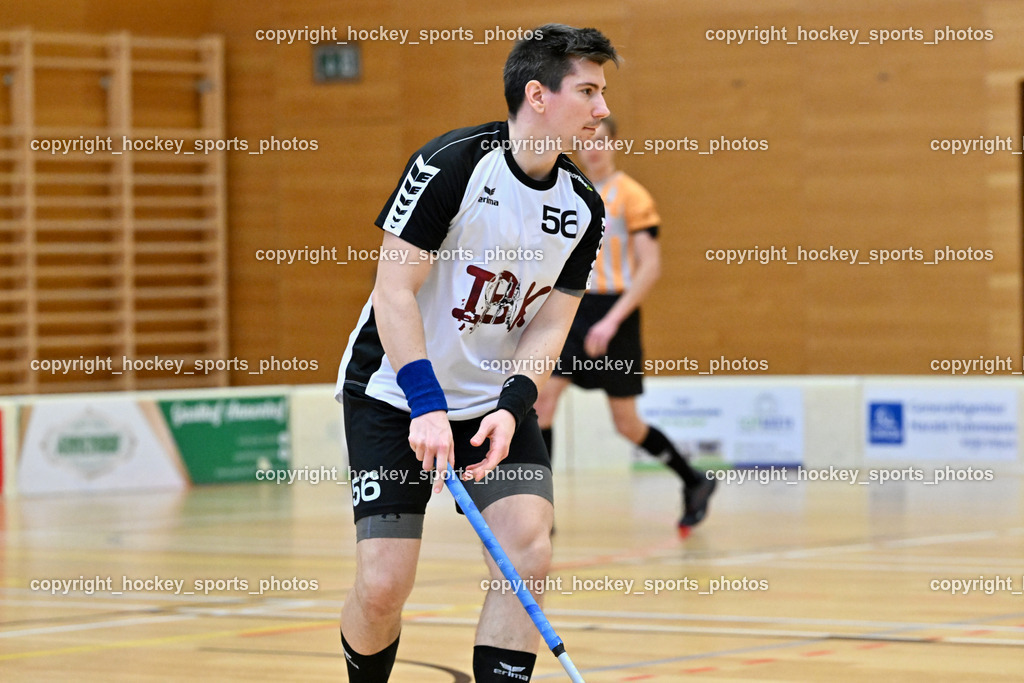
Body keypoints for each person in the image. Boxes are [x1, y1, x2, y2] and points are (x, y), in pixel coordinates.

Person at [334, 24, 618, 682]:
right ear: (538, 95)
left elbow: (553, 320)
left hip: (491, 402)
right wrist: (428, 407)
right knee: (382, 585)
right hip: (395, 392)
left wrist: (515, 404)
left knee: (527, 554)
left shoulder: (583, 208)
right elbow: (393, 291)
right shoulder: (453, 165)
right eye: (589, 91)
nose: (602, 109)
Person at [534, 116, 716, 532]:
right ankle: (541, 509)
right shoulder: (567, 193)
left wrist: (613, 321)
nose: (593, 149)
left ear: (613, 143)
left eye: (600, 141)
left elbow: (650, 268)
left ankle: (694, 480)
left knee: (626, 423)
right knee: (543, 402)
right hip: (574, 308)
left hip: (615, 314)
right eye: (586, 141)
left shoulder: (632, 197)